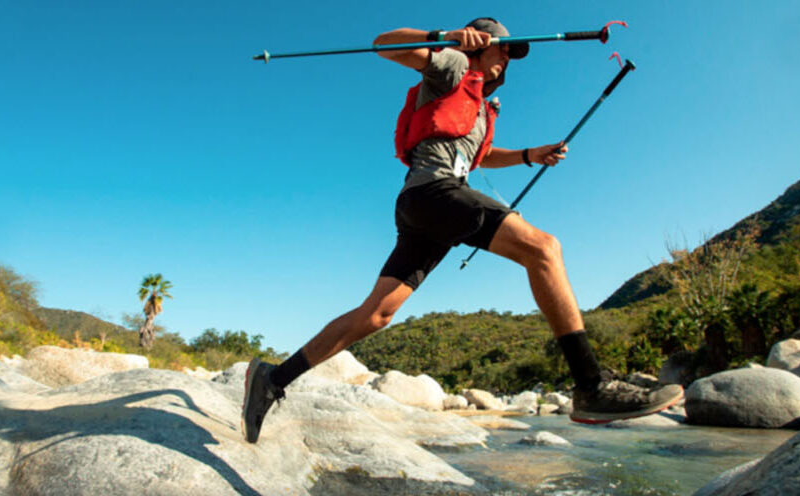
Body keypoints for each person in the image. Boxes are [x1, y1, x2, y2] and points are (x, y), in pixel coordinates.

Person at [242, 18, 683, 443]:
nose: (507, 60)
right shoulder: (452, 65)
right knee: (544, 248)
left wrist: (531, 154)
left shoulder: (482, 109)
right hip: (434, 194)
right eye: (503, 48)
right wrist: (446, 37)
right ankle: (591, 385)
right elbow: (384, 43)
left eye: (512, 54)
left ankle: (272, 378)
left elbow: (482, 156)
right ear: (479, 42)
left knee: (377, 314)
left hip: (427, 209)